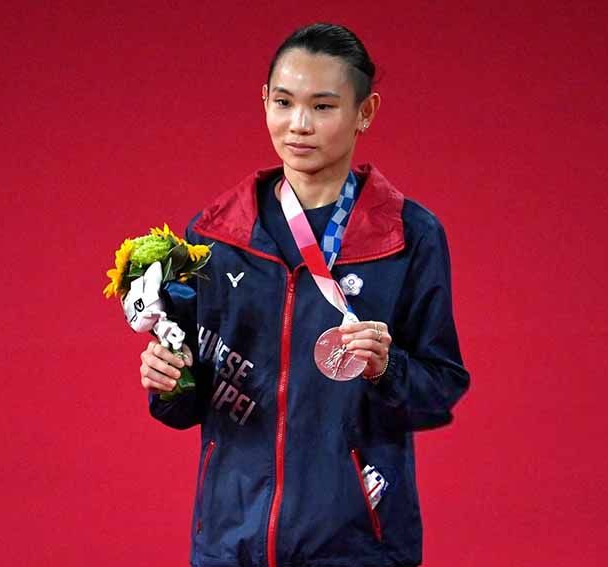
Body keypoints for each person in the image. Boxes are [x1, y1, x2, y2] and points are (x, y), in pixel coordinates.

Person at [137, 22, 470, 567]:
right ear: (264, 101)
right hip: (230, 539)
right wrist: (169, 381)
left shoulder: (408, 236)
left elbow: (441, 387)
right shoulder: (216, 233)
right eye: (284, 102)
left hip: (358, 542)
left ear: (365, 112)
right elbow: (185, 401)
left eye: (322, 106)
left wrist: (387, 369)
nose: (298, 125)